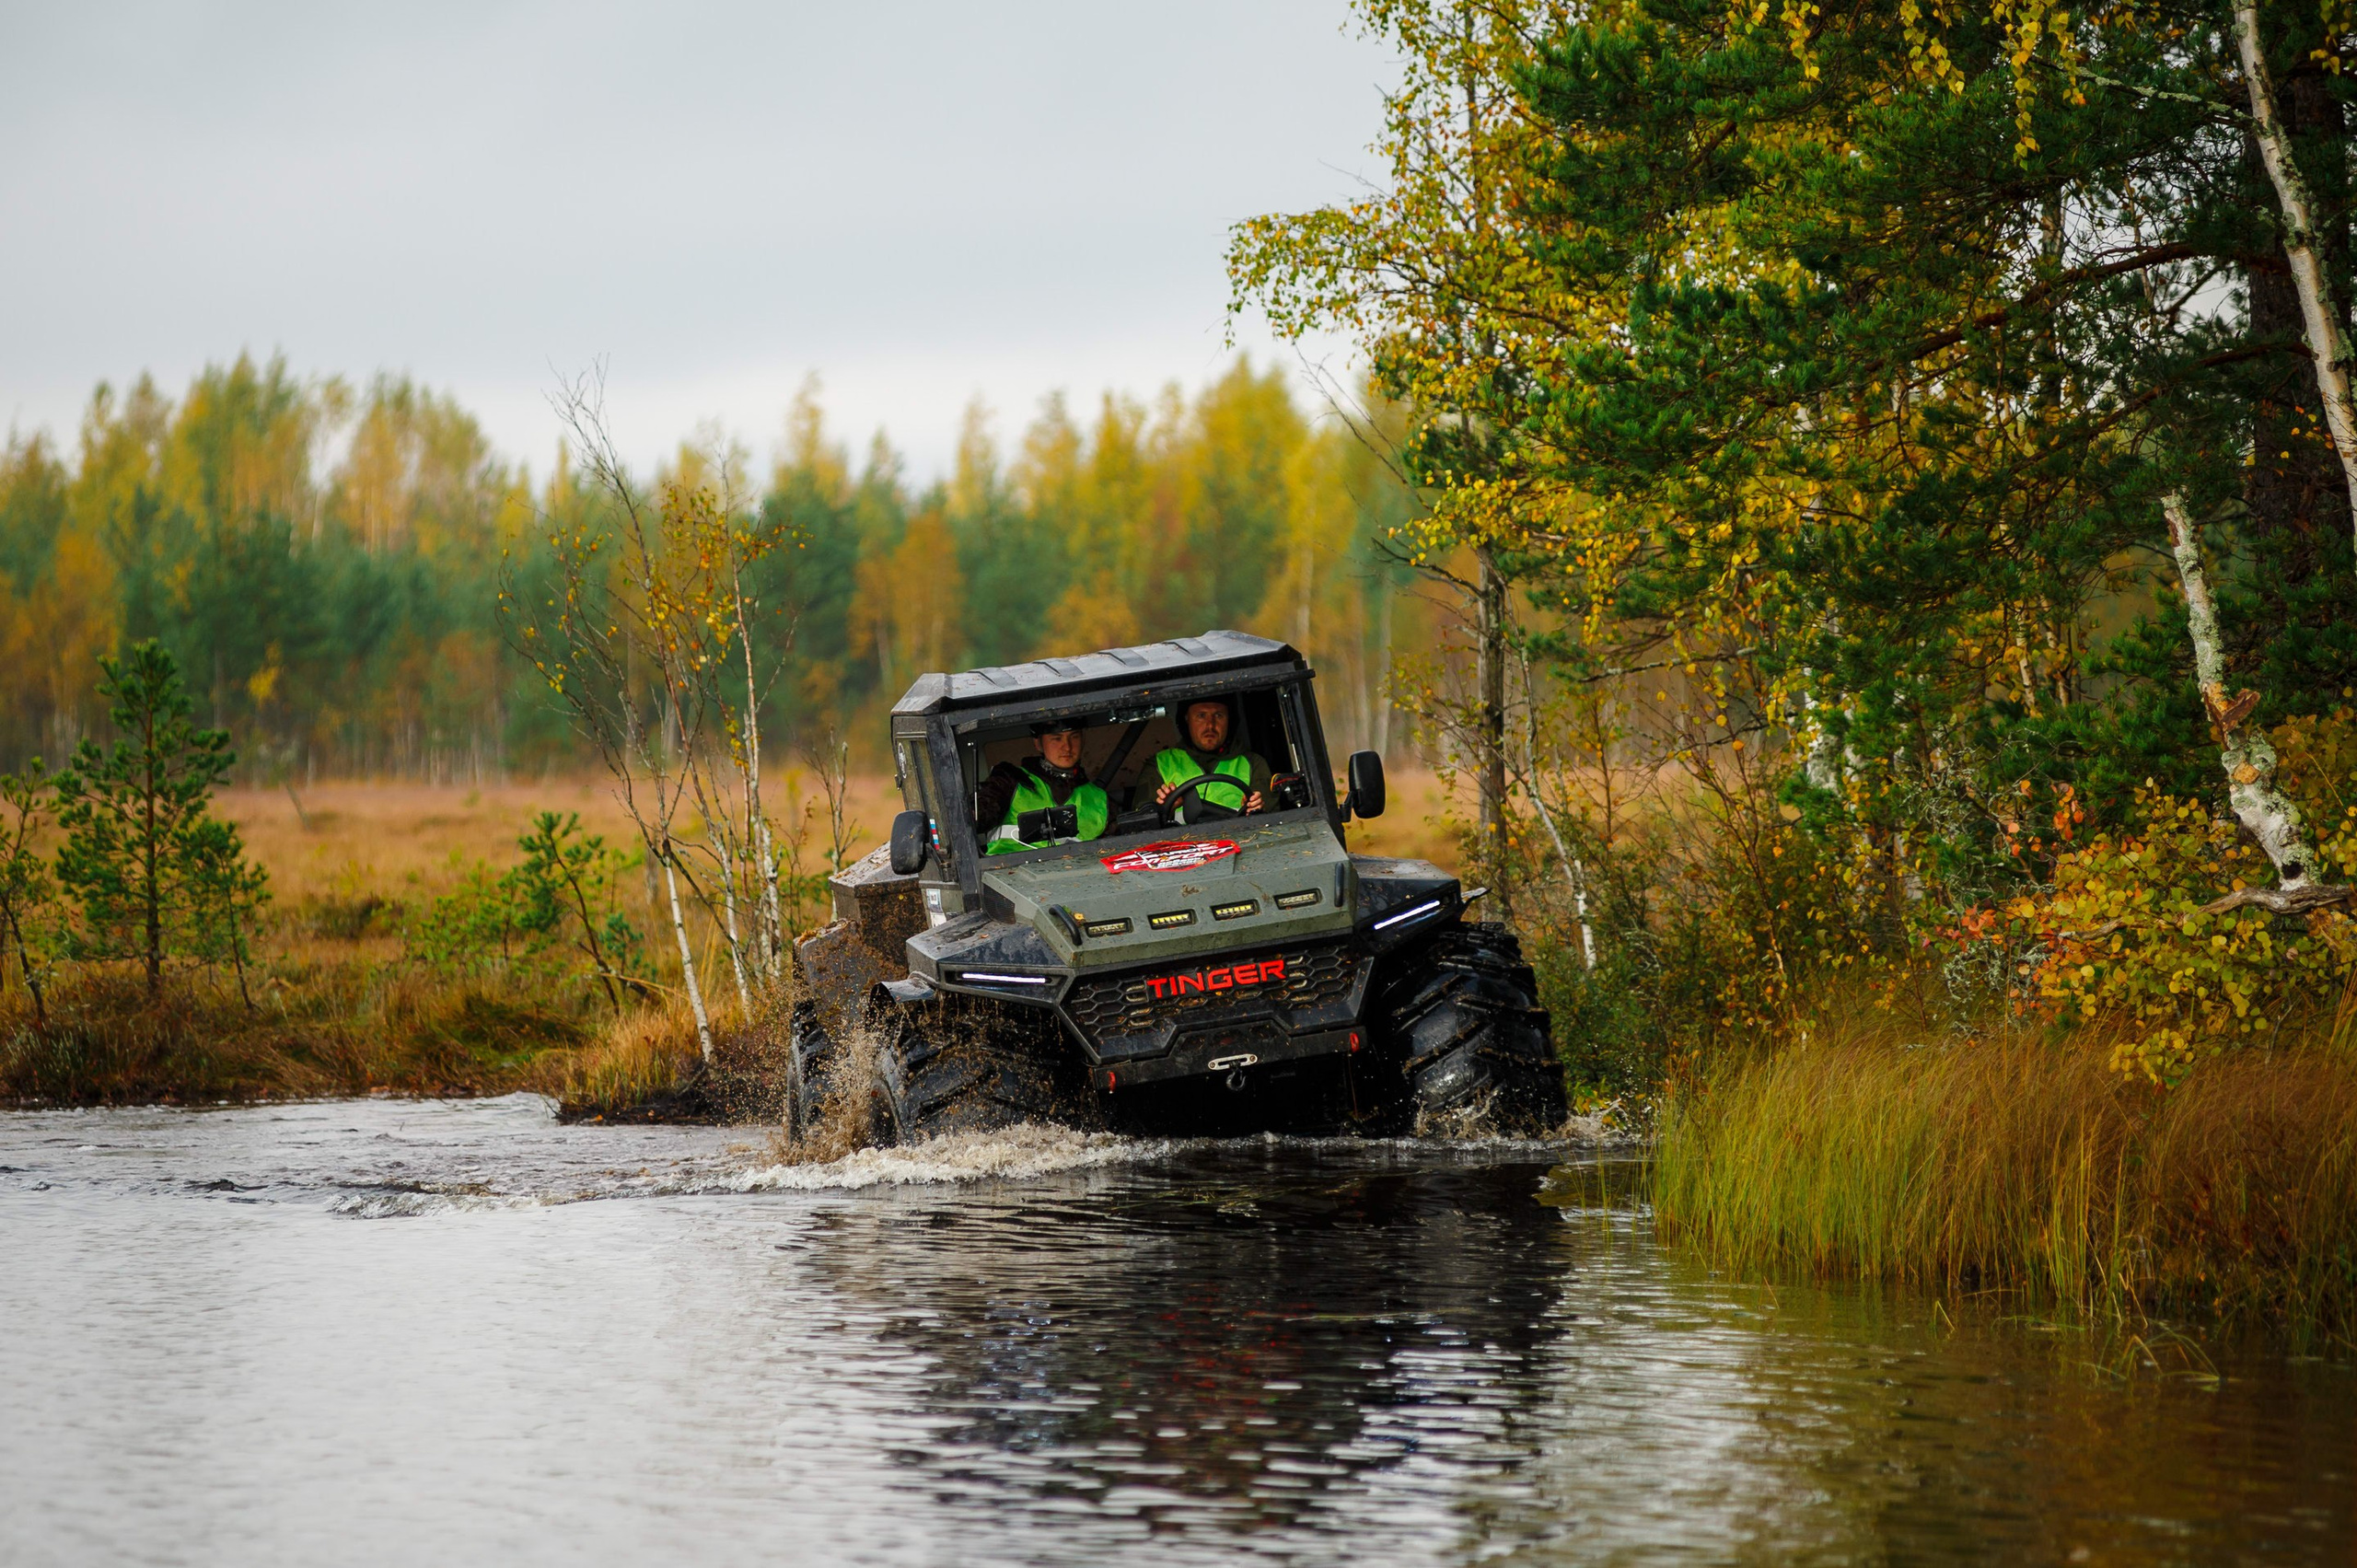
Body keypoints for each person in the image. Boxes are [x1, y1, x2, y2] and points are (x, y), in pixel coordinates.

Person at [974, 719, 1110, 854]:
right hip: (1008, 872)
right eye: (1057, 739)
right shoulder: (1009, 781)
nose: (1067, 747)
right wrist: (975, 814)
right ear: (1038, 743)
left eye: (1074, 737)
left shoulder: (1099, 798)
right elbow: (976, 817)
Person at [1140, 698, 1270, 823]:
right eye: (1201, 716)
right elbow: (1141, 827)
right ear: (1187, 719)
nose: (1210, 725)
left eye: (1219, 715)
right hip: (1181, 845)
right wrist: (1167, 809)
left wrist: (1255, 810)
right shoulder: (1159, 764)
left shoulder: (1254, 763)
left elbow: (1273, 822)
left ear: (1230, 719)